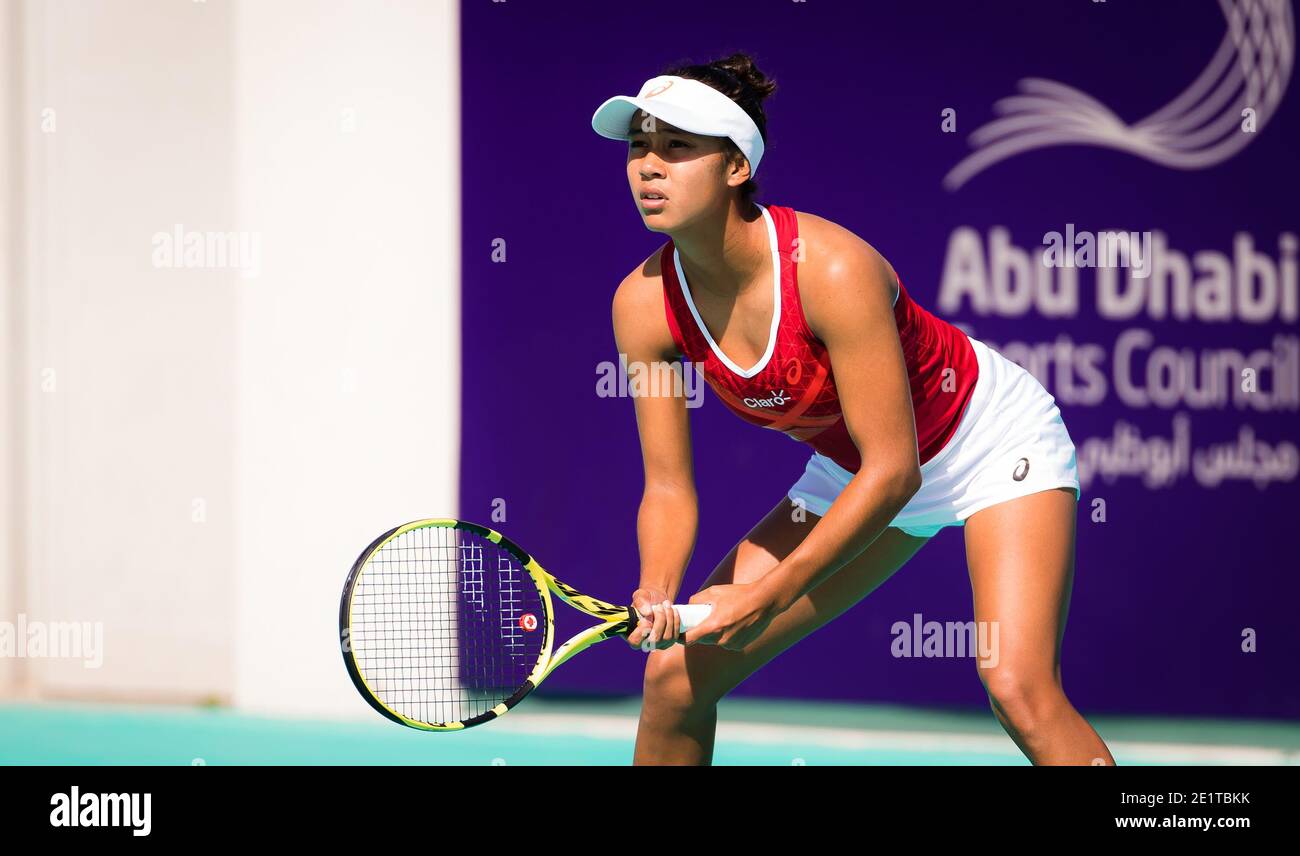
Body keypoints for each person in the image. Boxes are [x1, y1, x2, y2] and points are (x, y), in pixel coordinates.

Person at [591, 52, 1115, 766]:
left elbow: (896, 472)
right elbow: (669, 486)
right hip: (855, 468)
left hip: (986, 443)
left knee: (1017, 686)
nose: (649, 166)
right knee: (676, 677)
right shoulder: (643, 306)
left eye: (677, 146)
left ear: (737, 166)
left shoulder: (833, 269)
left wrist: (770, 594)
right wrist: (657, 588)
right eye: (638, 146)